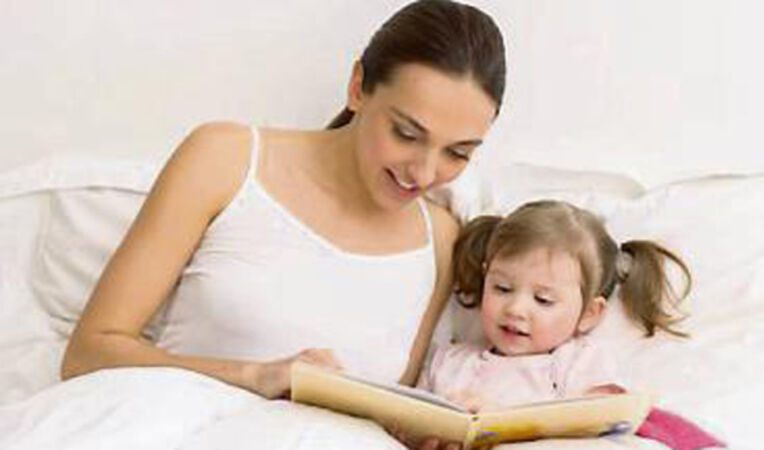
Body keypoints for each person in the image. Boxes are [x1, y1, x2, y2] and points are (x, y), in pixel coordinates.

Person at [56, 1, 504, 448]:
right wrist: (256, 376)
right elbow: (89, 353)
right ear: (358, 88)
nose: (424, 173)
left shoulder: (440, 238)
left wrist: (424, 431)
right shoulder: (225, 158)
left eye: (458, 153)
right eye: (406, 133)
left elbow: (385, 414)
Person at [417, 200, 691, 413]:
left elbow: (598, 424)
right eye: (502, 288)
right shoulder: (450, 363)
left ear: (588, 314)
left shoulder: (578, 365)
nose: (515, 309)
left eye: (543, 300)